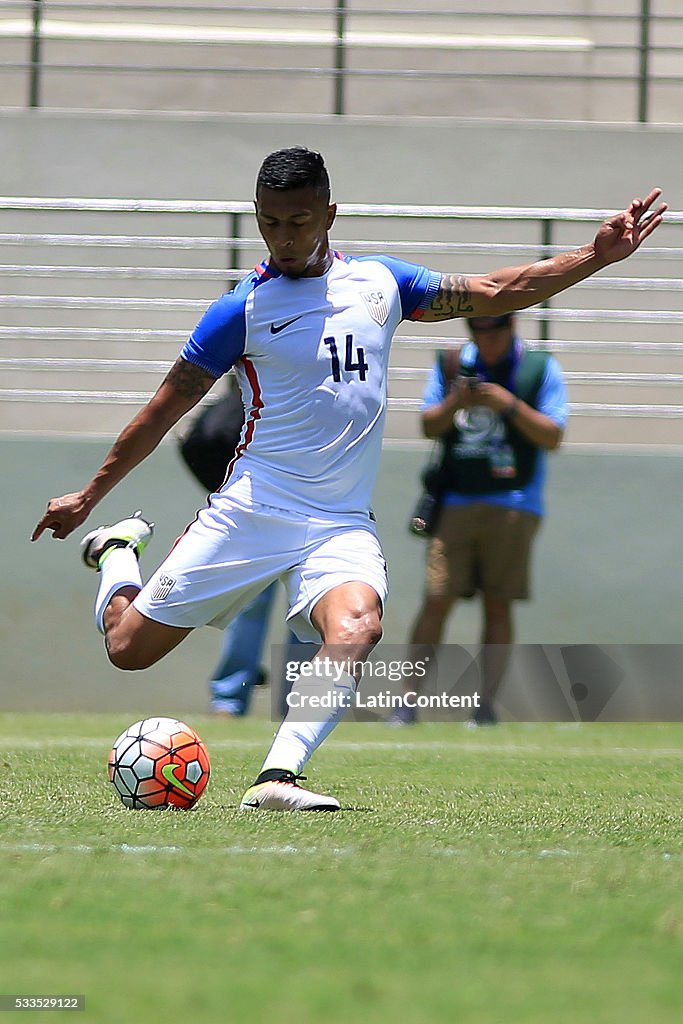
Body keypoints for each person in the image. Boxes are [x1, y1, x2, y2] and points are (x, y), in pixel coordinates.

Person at [31, 146, 666, 811]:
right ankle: (116, 554)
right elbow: (163, 410)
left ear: (329, 213)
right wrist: (88, 495)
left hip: (338, 521)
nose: (284, 237)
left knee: (357, 626)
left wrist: (593, 257)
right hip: (252, 508)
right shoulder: (241, 309)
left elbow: (496, 292)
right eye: (270, 222)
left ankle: (277, 779)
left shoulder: (380, 284)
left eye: (299, 221)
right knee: (127, 650)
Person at [390, 312, 567, 727]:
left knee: (498, 605)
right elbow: (428, 425)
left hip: (514, 502)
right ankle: (406, 703)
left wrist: (507, 404)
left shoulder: (539, 368)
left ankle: (485, 706)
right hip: (456, 503)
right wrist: (458, 401)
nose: (485, 339)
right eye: (476, 330)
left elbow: (553, 435)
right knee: (436, 599)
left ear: (513, 326)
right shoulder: (453, 363)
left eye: (494, 329)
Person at [178, 378, 305, 717]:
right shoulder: (239, 413)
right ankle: (247, 697)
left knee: (295, 610)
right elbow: (198, 443)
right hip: (278, 519)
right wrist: (226, 497)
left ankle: (235, 698)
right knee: (293, 610)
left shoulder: (258, 408)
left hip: (288, 520)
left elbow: (193, 444)